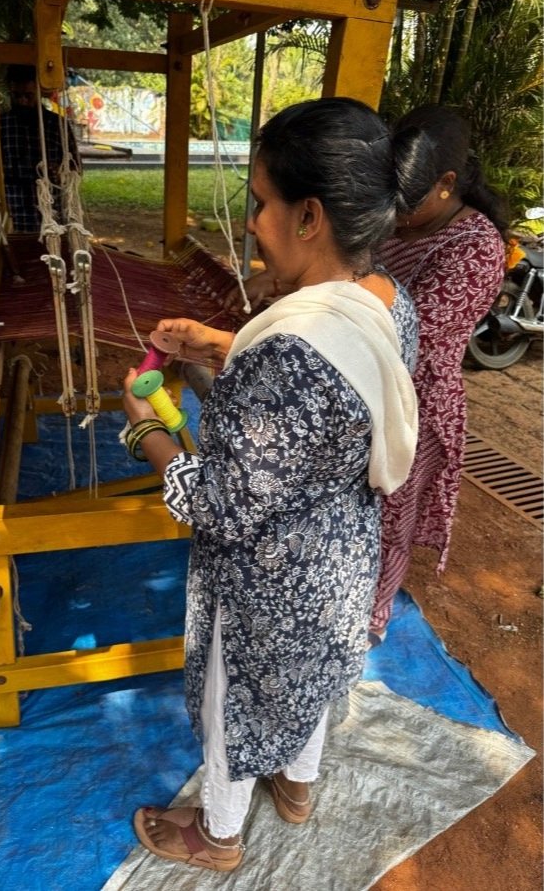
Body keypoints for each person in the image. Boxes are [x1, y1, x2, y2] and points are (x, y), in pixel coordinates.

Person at [119, 97, 435, 872]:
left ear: (309, 217)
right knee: (313, 683)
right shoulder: (389, 303)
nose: (251, 222)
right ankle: (296, 788)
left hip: (268, 577)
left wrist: (144, 429)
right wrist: (215, 350)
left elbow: (219, 504)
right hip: (340, 556)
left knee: (238, 698)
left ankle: (217, 835)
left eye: (261, 203)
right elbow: (320, 406)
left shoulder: (290, 353)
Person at [368, 104, 508, 642]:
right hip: (364, 381)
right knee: (354, 511)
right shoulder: (401, 218)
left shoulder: (474, 248)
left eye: (408, 200)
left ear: (447, 183)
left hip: (413, 401)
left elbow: (412, 339)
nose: (396, 213)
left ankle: (365, 626)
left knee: (388, 521)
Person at [0, 64, 80, 233]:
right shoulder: (1, 124)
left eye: (28, 96)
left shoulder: (57, 124)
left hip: (52, 204)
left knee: (54, 252)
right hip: (13, 206)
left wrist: (59, 170)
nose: (22, 101)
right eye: (17, 95)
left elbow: (76, 168)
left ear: (39, 92)